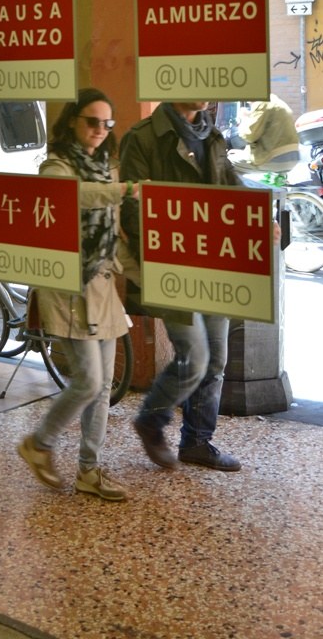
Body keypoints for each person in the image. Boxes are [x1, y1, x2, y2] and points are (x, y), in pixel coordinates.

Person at [17, 89, 138, 501]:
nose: (100, 130)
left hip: (101, 285)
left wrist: (143, 275)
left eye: (107, 123)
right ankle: (39, 443)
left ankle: (89, 470)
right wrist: (124, 190)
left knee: (103, 386)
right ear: (73, 120)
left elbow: (111, 238)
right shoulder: (56, 166)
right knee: (88, 381)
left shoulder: (105, 167)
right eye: (92, 122)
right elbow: (71, 196)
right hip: (66, 287)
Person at [118, 101, 242, 472]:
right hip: (170, 266)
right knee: (196, 357)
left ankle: (197, 442)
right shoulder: (143, 137)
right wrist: (177, 239)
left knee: (215, 358)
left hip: (213, 262)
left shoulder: (212, 134)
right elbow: (131, 210)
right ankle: (151, 419)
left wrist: (258, 218)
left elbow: (233, 189)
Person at [226, 93, 300, 175]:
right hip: (292, 157)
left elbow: (249, 136)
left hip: (274, 158)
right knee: (236, 156)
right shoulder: (278, 102)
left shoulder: (261, 103)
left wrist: (243, 118)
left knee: (226, 163)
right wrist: (242, 153)